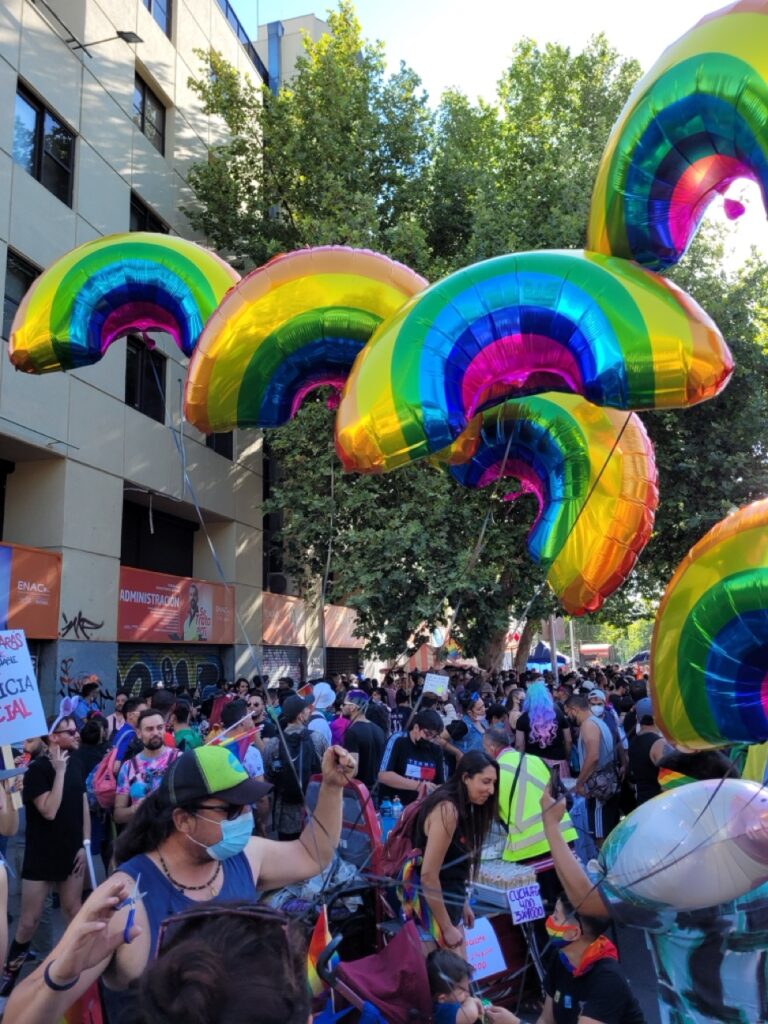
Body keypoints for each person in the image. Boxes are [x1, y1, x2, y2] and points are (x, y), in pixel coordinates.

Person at [3, 744, 356, 1024]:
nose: (247, 818)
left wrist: (331, 788)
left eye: (248, 806)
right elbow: (21, 1016)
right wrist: (62, 973)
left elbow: (313, 854)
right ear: (183, 820)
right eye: (231, 811)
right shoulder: (126, 899)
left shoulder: (242, 857)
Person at [0, 718, 89, 998]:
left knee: (74, 913)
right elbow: (49, 810)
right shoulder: (37, 770)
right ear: (53, 738)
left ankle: (72, 977)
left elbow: (83, 805)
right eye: (70, 731)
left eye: (77, 729)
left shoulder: (77, 762)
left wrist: (84, 846)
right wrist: (59, 772)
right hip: (41, 855)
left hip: (71, 851)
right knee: (28, 922)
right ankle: (6, 986)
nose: (77, 734)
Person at [406, 751, 498, 955]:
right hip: (434, 917)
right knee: (455, 985)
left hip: (448, 907)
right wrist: (447, 927)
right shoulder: (448, 809)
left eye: (493, 783)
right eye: (485, 782)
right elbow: (429, 876)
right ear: (466, 778)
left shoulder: (463, 807)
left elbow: (452, 865)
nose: (491, 790)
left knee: (460, 983)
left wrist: (462, 902)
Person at [536, 893, 646, 1023]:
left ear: (574, 933)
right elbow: (546, 1020)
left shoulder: (609, 979)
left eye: (556, 916)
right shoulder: (560, 957)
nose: (549, 920)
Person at [263, 695, 324, 840]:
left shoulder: (273, 743)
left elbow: (268, 774)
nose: (309, 712)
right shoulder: (317, 738)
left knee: (287, 853)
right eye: (306, 710)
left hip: (284, 813)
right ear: (300, 715)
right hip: (313, 810)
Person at [565, 693, 621, 846]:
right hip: (608, 783)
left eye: (568, 712)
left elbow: (593, 756)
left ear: (574, 709)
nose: (568, 716)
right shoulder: (598, 722)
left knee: (600, 834)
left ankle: (604, 867)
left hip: (598, 787)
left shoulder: (588, 725)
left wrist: (580, 782)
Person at [113, 710, 180, 825]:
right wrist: (136, 809)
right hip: (142, 838)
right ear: (139, 733)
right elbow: (118, 815)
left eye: (159, 728)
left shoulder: (179, 760)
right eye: (149, 729)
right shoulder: (128, 767)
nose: (156, 732)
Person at [427, 948, 519, 1024]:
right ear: (442, 998)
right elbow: (471, 1013)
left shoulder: (451, 1000)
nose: (468, 993)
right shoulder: (443, 1012)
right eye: (463, 990)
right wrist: (471, 1000)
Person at [378, 708, 447, 806]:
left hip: (423, 808)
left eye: (434, 736)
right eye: (428, 734)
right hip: (395, 807)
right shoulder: (397, 740)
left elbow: (441, 783)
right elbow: (383, 775)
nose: (430, 739)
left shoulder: (436, 749)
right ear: (416, 728)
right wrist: (418, 786)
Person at [515, 680, 572, 769]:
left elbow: (519, 745)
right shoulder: (559, 714)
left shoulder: (523, 719)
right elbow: (568, 740)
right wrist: (567, 758)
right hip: (558, 765)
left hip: (533, 766)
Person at [340, 689, 386, 792]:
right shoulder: (379, 730)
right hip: (376, 791)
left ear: (353, 707)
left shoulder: (353, 732)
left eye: (344, 704)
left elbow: (353, 770)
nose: (342, 707)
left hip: (358, 793)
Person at [626, 698, 665, 805]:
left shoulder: (633, 741)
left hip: (642, 801)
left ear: (638, 718)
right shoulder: (659, 744)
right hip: (658, 803)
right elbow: (667, 782)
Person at [110, 697, 148, 769]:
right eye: (143, 713)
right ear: (130, 715)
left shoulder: (123, 731)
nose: (147, 716)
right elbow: (117, 767)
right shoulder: (130, 735)